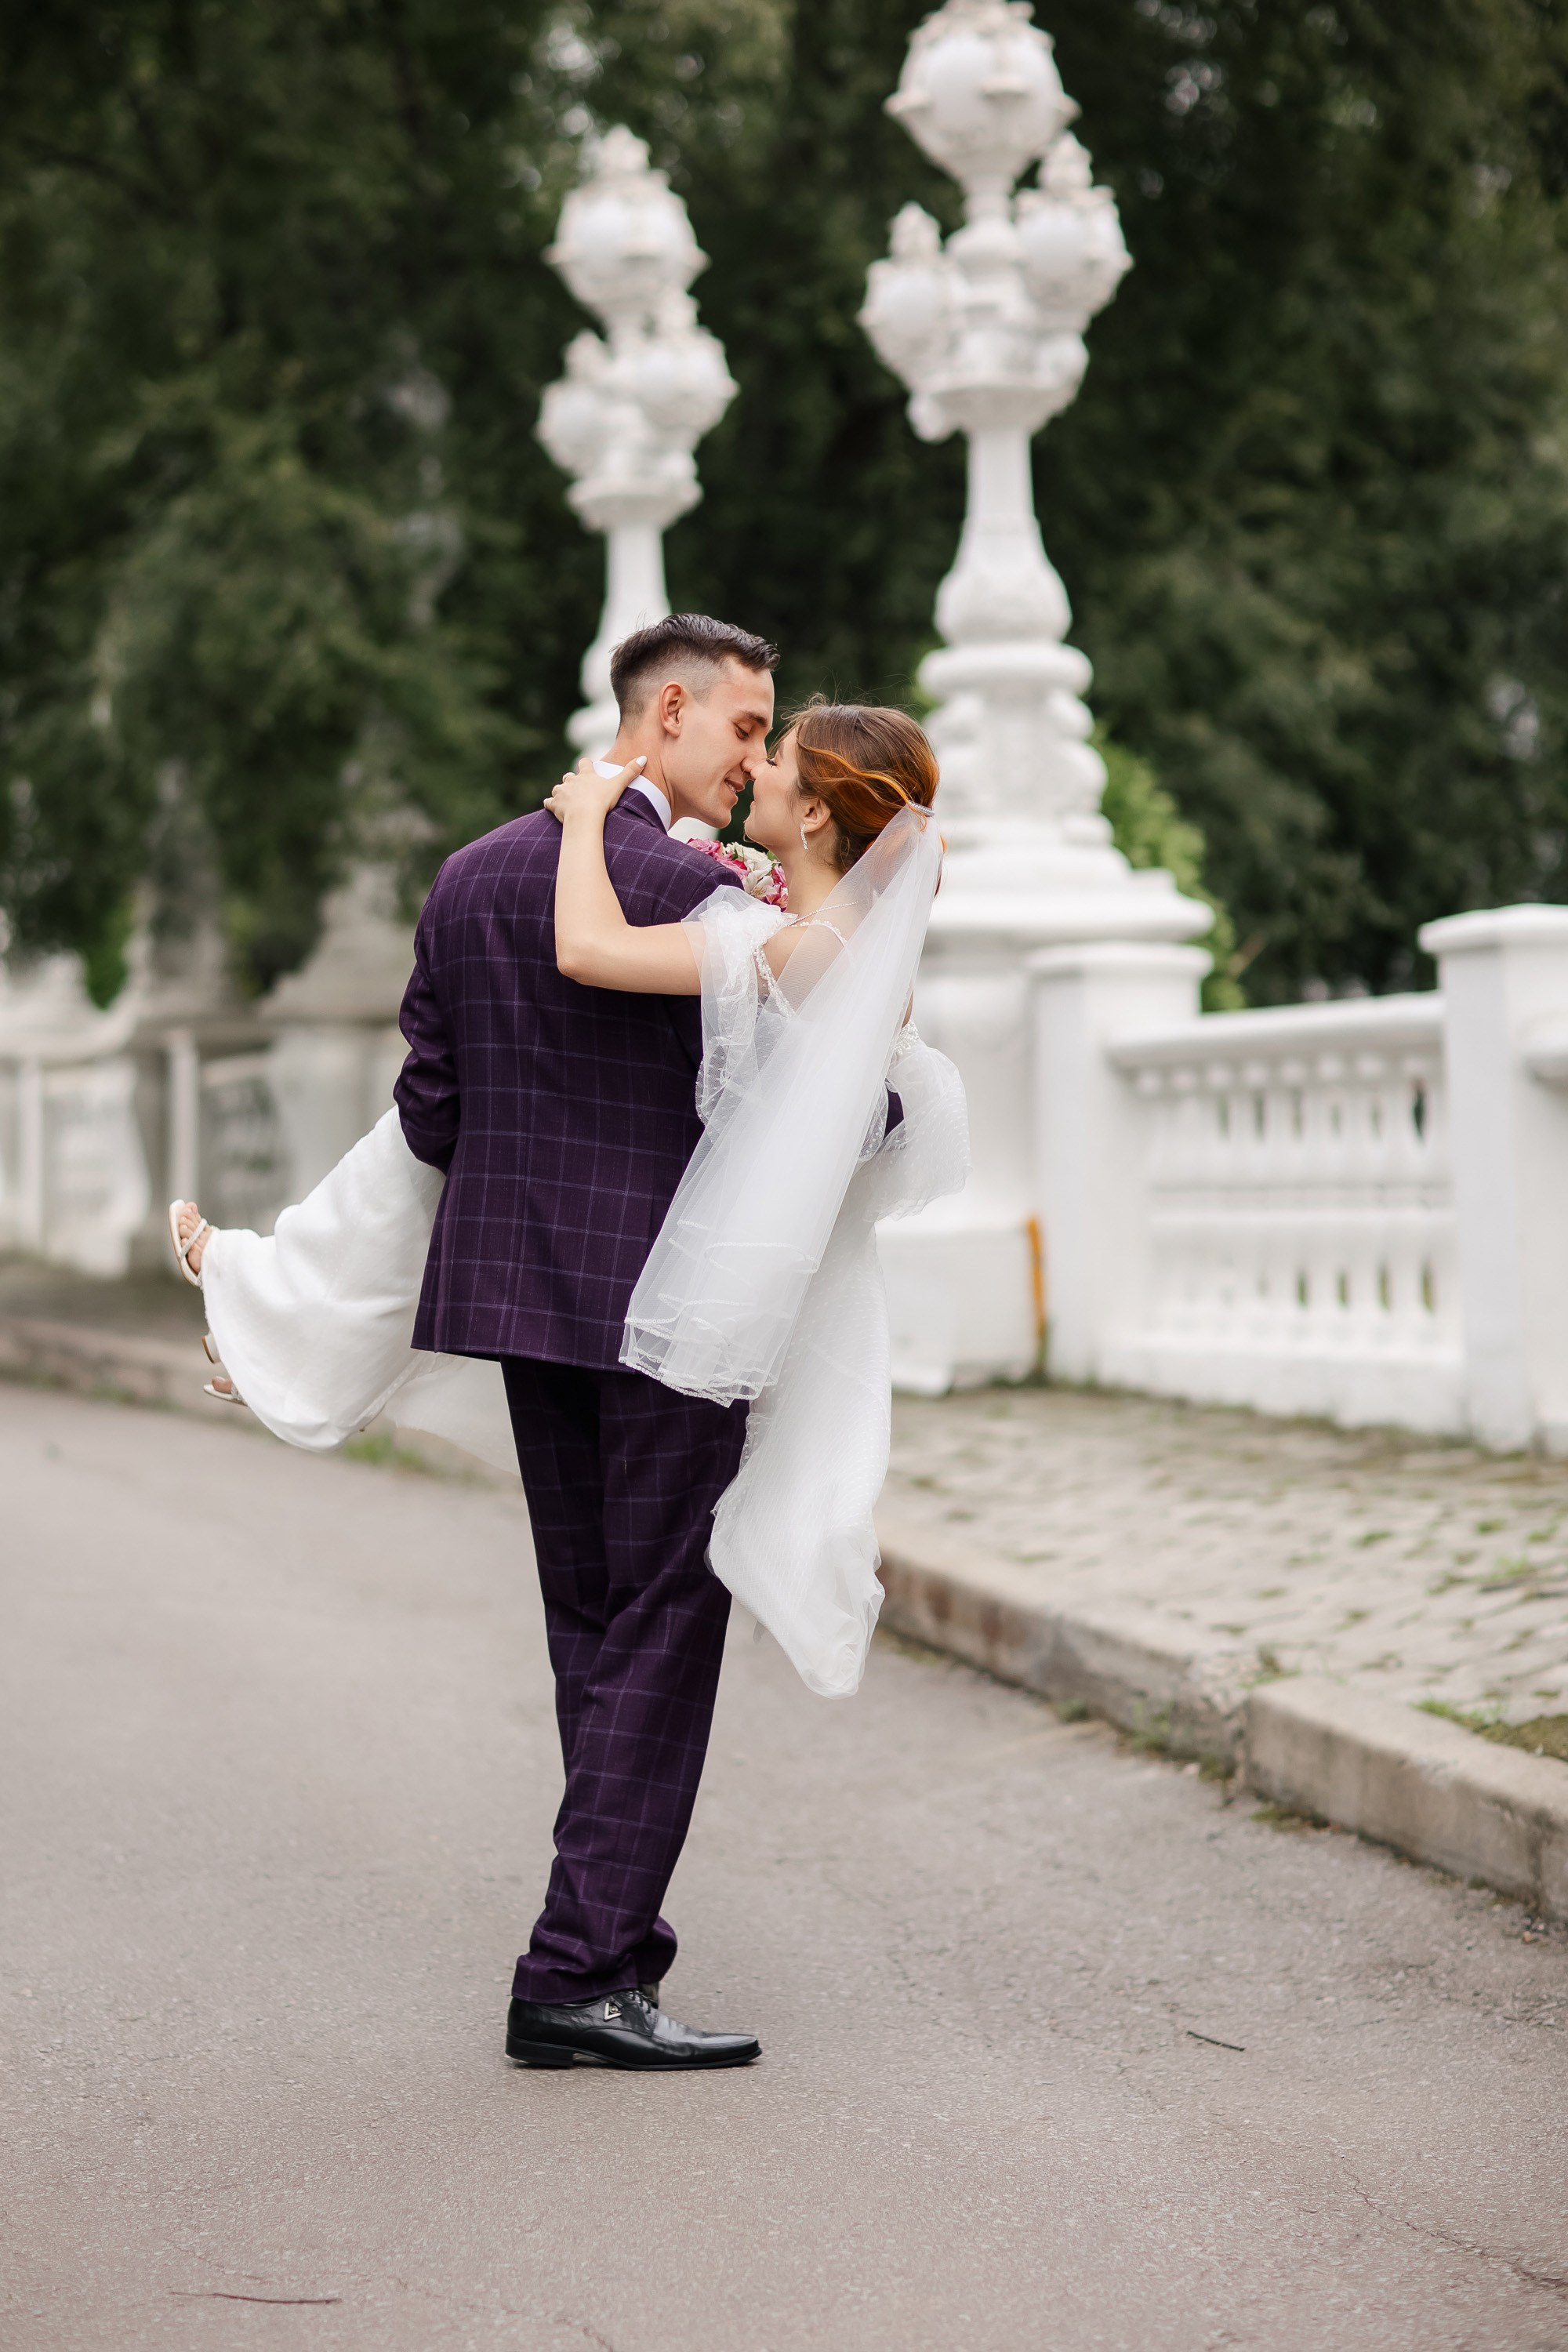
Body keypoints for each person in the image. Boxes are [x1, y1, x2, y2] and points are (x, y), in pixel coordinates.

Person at [169, 613, 967, 2072]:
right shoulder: (714, 895)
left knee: (595, 1629)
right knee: (661, 1630)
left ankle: (599, 1947)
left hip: (530, 1305)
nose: (752, 763)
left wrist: (321, 1290)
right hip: (676, 1319)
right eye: (745, 727)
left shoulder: (473, 877)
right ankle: (580, 1970)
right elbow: (819, 1111)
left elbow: (433, 1117)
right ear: (670, 709)